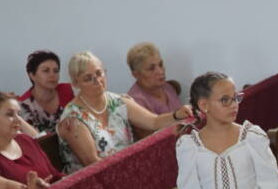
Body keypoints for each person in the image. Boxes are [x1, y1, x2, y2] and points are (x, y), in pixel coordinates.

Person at [57, 51, 191, 173]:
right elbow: (92, 163)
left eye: (99, 73)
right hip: (95, 181)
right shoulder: (73, 117)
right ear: (75, 83)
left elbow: (154, 122)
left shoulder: (117, 101)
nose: (97, 81)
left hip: (127, 171)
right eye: (88, 78)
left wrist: (178, 114)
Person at [176, 72, 278, 189]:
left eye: (236, 98)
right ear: (204, 105)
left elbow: (271, 187)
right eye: (225, 100)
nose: (234, 105)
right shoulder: (190, 146)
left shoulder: (251, 137)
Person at [0, 92, 63, 185]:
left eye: (19, 114)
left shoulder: (26, 140)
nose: (18, 120)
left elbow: (55, 175)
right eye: (10, 114)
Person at [17, 50, 75, 135]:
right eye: (46, 71)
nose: (52, 75)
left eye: (56, 71)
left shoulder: (70, 90)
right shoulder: (23, 106)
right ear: (32, 75)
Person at [125, 42, 184, 116]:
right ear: (136, 75)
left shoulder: (168, 87)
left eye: (160, 64)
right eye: (151, 68)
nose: (161, 71)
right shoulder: (135, 102)